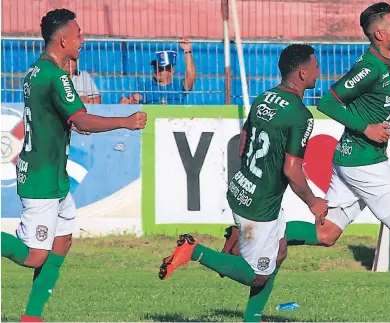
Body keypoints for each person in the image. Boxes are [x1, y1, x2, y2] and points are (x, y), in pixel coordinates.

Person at [220, 3, 390, 322]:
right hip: (363, 163)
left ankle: (256, 237)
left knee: (328, 234)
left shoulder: (385, 64)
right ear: (379, 34)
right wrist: (366, 128)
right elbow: (327, 101)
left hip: (353, 160)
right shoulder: (369, 67)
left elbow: (368, 102)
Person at [158, 44, 328, 322]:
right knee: (257, 276)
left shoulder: (264, 98)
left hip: (242, 187)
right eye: (316, 65)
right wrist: (314, 202)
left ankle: (253, 317)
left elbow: (243, 143)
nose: (319, 71)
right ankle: (194, 251)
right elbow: (292, 168)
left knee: (280, 250)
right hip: (260, 205)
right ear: (302, 72)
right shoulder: (300, 115)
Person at [1, 9, 147, 322]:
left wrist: (73, 122)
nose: (83, 39)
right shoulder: (56, 77)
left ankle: (32, 317)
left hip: (52, 174)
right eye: (79, 34)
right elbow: (81, 118)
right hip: (42, 176)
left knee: (63, 240)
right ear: (64, 39)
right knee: (36, 255)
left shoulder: (38, 72)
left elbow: (59, 118)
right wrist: (126, 121)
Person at [120, 40, 196, 104]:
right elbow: (136, 97)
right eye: (155, 67)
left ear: (172, 70)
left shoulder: (178, 86)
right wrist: (129, 101)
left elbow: (191, 75)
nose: (157, 70)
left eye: (161, 68)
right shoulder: (147, 87)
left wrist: (187, 51)